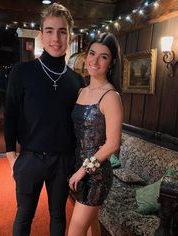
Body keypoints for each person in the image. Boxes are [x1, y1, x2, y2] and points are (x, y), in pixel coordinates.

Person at [4, 3, 83, 236]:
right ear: (41, 35)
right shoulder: (22, 72)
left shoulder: (77, 80)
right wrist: (11, 158)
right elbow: (10, 115)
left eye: (62, 31)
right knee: (24, 215)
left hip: (62, 161)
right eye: (49, 30)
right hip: (29, 159)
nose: (55, 38)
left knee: (58, 215)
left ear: (69, 36)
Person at [68, 33, 123, 236]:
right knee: (92, 227)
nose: (95, 60)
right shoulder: (81, 91)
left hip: (96, 175)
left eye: (104, 56)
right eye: (92, 53)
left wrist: (83, 170)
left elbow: (112, 144)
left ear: (111, 63)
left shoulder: (111, 96)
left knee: (75, 232)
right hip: (77, 166)